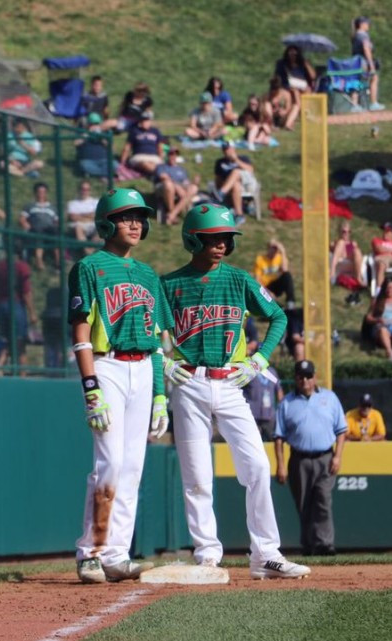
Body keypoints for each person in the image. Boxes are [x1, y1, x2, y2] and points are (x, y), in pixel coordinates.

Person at [161, 202, 310, 580]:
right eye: (214, 238)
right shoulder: (170, 284)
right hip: (189, 382)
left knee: (258, 466)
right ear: (192, 238)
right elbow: (150, 331)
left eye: (226, 238)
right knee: (197, 475)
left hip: (230, 383)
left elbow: (277, 317)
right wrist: (162, 362)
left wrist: (259, 361)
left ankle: (266, 554)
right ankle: (207, 555)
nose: (222, 244)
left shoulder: (240, 279)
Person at [68, 189, 170, 584]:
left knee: (132, 466)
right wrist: (90, 384)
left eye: (139, 217)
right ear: (106, 222)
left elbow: (159, 340)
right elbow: (79, 328)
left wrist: (161, 395)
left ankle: (116, 553)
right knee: (108, 462)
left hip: (143, 369)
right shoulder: (89, 268)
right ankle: (90, 552)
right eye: (126, 216)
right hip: (107, 366)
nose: (135, 224)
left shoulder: (148, 275)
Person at [275, 359, 347, 557]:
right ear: (296, 379)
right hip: (299, 459)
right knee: (304, 503)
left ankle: (325, 544)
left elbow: (341, 431)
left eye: (308, 376)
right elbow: (279, 438)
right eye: (300, 377)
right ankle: (308, 545)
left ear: (314, 377)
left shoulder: (330, 398)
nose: (304, 380)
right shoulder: (287, 402)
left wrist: (338, 456)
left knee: (323, 499)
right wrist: (280, 465)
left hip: (325, 456)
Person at [19, 182, 60, 271]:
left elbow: (57, 221)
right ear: (35, 193)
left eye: (43, 192)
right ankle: (39, 261)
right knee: (38, 233)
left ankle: (58, 263)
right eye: (39, 192)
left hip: (50, 229)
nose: (41, 194)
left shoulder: (53, 207)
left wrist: (57, 226)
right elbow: (22, 219)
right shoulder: (29, 206)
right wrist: (26, 225)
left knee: (56, 234)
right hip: (35, 228)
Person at [153, 147, 198, 225]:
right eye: (171, 154)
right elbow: (163, 177)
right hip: (163, 187)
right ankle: (173, 212)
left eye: (175, 154)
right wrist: (177, 186)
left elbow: (186, 182)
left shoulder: (181, 169)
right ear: (167, 155)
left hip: (180, 188)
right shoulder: (161, 166)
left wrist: (193, 183)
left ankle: (172, 215)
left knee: (194, 188)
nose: (173, 156)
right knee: (169, 184)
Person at [213, 143, 256, 220]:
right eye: (225, 150)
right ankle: (239, 215)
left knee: (236, 172)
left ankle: (221, 193)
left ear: (233, 149)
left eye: (229, 149)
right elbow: (218, 179)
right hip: (232, 186)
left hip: (247, 183)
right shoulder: (220, 162)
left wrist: (236, 160)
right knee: (236, 185)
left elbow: (250, 170)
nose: (227, 152)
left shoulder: (243, 158)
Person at [350, 17, 384, 111]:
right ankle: (373, 103)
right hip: (363, 62)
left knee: (358, 81)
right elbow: (366, 49)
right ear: (361, 24)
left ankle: (355, 104)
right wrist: (371, 64)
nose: (368, 25)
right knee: (374, 78)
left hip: (356, 62)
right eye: (367, 23)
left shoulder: (355, 35)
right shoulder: (363, 35)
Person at [253, 237, 295, 308]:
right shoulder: (260, 259)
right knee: (274, 305)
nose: (275, 250)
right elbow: (257, 280)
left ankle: (290, 303)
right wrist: (268, 292)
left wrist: (283, 252)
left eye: (277, 248)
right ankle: (277, 307)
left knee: (287, 276)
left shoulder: (279, 257)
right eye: (273, 248)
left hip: (275, 284)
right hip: (265, 287)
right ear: (268, 248)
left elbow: (285, 270)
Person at [330, 220, 365, 304]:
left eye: (348, 232)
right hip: (339, 263)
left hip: (350, 262)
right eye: (344, 232)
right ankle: (332, 271)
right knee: (342, 242)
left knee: (356, 250)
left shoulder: (353, 244)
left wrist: (352, 247)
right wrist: (335, 245)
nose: (346, 234)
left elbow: (354, 255)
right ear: (340, 232)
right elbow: (332, 251)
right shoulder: (335, 242)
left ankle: (358, 277)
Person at [66, 180, 101, 248]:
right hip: (79, 225)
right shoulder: (72, 203)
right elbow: (73, 217)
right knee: (78, 226)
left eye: (87, 189)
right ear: (79, 190)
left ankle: (90, 250)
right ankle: (88, 251)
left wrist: (80, 215)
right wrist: (89, 215)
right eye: (83, 189)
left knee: (102, 227)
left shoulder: (95, 202)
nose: (85, 191)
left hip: (93, 225)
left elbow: (96, 216)